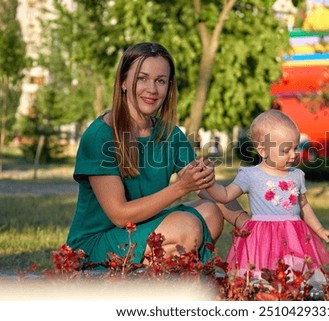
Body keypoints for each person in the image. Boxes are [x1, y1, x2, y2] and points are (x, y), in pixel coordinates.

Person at [66, 42, 249, 268]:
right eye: (142, 78)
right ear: (123, 82)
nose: (152, 89)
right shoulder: (100, 136)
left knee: (210, 212)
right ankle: (141, 283)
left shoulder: (170, 134)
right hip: (96, 244)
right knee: (187, 227)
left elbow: (210, 191)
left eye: (160, 81)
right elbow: (120, 215)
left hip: (140, 231)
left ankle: (150, 277)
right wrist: (181, 187)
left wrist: (247, 223)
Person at [206, 109, 329, 281]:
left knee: (295, 278)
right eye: (286, 151)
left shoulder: (297, 175)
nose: (293, 155)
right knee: (261, 278)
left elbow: (304, 205)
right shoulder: (251, 175)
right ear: (263, 151)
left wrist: (320, 230)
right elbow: (226, 195)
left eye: (295, 148)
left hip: (294, 237)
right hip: (261, 239)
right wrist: (209, 183)